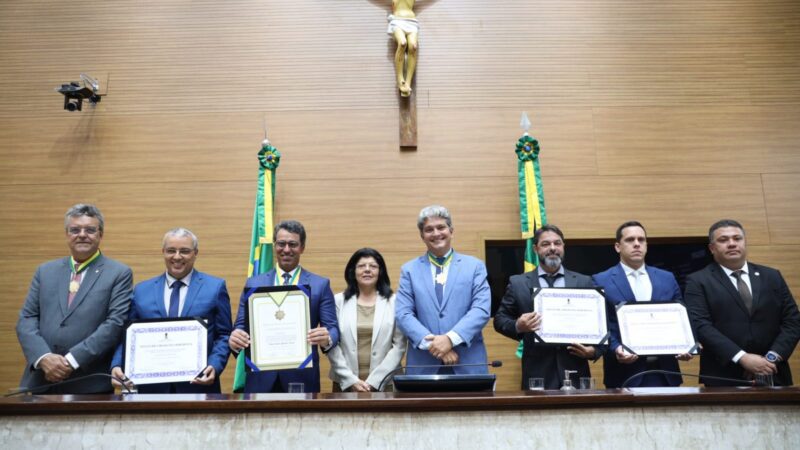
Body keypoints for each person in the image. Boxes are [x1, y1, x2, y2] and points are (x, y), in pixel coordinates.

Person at [16, 204, 133, 394]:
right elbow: (27, 319)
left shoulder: (118, 273)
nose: (82, 234)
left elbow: (115, 324)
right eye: (75, 230)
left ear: (100, 235)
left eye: (90, 230)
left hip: (88, 384)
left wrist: (70, 361)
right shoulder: (45, 271)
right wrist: (44, 357)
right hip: (41, 380)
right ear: (67, 234)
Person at [110, 228, 232, 393]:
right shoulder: (141, 291)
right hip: (151, 390)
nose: (177, 256)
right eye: (171, 251)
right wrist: (117, 364)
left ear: (195, 253)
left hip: (198, 388)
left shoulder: (215, 288)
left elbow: (224, 335)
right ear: (163, 252)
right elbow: (127, 335)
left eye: (185, 251)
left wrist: (214, 365)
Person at [685, 219, 800, 386]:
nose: (731, 244)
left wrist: (770, 359)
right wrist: (742, 358)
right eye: (723, 240)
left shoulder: (772, 276)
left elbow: (793, 321)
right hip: (723, 375)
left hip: (773, 371)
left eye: (737, 238)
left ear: (744, 243)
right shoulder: (698, 281)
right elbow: (701, 325)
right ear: (712, 248)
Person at [229, 220, 339, 393]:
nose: (286, 249)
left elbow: (332, 328)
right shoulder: (254, 283)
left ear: (302, 247)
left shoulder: (320, 285)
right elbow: (241, 326)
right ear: (274, 246)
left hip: (301, 376)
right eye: (281, 244)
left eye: (293, 244)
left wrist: (327, 338)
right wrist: (235, 338)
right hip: (260, 377)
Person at [494, 224, 598, 390]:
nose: (552, 248)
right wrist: (518, 326)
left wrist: (594, 351)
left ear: (563, 246)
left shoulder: (584, 281)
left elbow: (601, 323)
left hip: (576, 371)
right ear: (535, 249)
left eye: (557, 243)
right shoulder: (518, 283)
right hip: (537, 374)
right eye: (545, 244)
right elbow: (500, 320)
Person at [593, 221, 692, 388]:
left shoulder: (667, 278)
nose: (637, 244)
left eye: (642, 240)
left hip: (666, 373)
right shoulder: (600, 280)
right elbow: (600, 326)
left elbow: (682, 318)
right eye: (630, 240)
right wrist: (616, 348)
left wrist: (688, 345)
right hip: (623, 373)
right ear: (618, 246)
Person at [395, 205, 491, 375]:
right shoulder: (409, 270)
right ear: (422, 236)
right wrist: (437, 346)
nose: (436, 233)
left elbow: (481, 310)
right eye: (429, 229)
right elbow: (403, 314)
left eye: (441, 227)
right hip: (423, 365)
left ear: (451, 231)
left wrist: (450, 339)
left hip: (468, 364)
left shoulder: (474, 266)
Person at [327, 248, 407, 391]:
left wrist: (374, 381)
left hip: (386, 383)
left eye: (373, 266)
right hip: (345, 383)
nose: (367, 270)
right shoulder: (337, 301)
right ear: (353, 271)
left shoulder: (395, 302)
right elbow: (332, 345)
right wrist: (351, 380)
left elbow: (399, 346)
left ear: (380, 272)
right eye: (361, 266)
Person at [388, 0, 419, 97]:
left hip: (412, 21)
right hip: (397, 21)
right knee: (402, 43)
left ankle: (408, 82)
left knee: (413, 46)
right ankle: (400, 79)